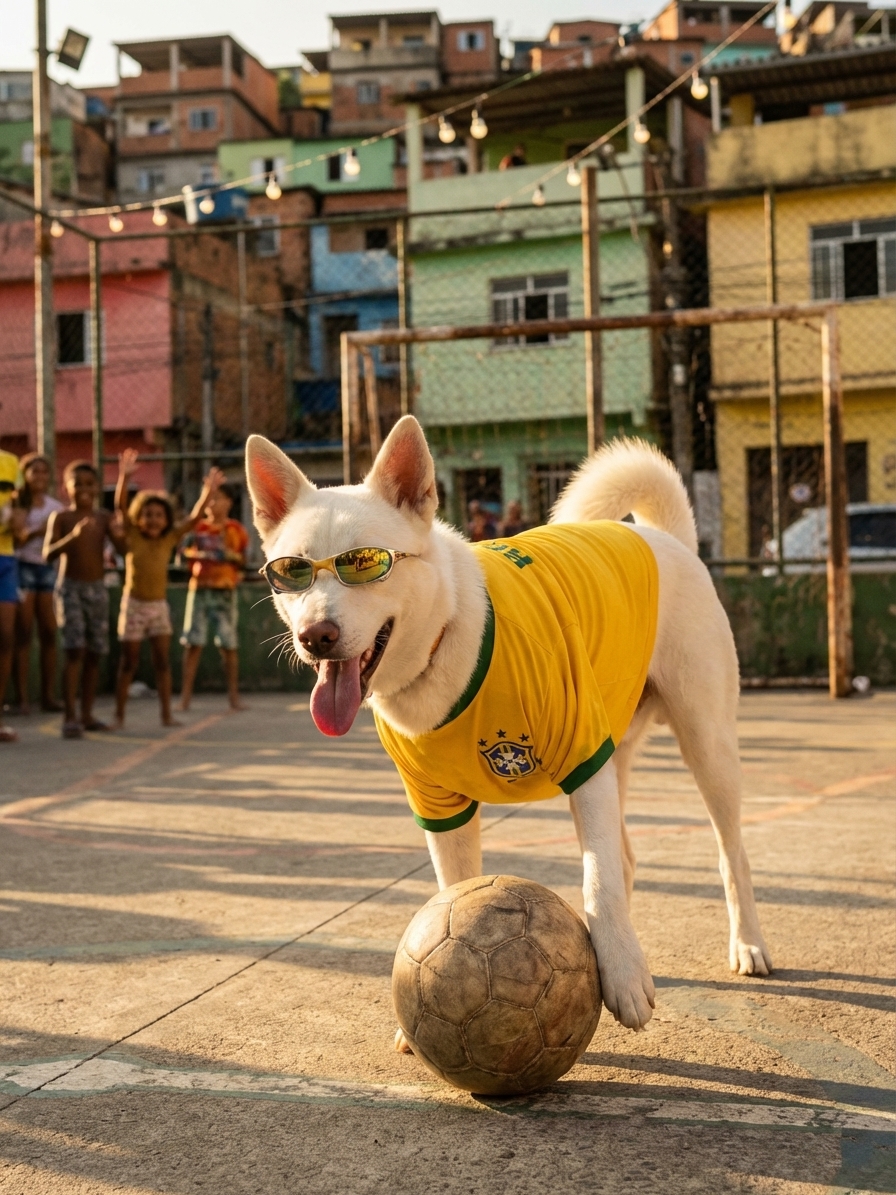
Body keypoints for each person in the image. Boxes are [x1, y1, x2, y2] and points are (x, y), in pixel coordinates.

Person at [114, 450, 225, 729]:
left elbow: (195, 517)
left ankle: (166, 714)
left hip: (158, 607)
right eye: (147, 514)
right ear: (138, 517)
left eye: (159, 515)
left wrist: (208, 492)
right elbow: (119, 505)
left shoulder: (170, 538)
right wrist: (124, 478)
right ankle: (119, 715)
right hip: (134, 605)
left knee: (162, 662)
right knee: (128, 663)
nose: (153, 520)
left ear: (167, 519)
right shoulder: (134, 535)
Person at [44, 460, 124, 739]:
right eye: (77, 484)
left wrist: (117, 530)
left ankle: (88, 714)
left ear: (98, 487)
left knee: (94, 652)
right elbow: (48, 554)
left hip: (97, 589)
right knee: (74, 650)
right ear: (67, 487)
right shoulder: (62, 518)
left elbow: (122, 548)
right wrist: (73, 537)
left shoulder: (103, 518)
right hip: (70, 589)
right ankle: (70, 716)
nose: (84, 489)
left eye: (90, 484)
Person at [178, 481, 250, 713]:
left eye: (217, 497)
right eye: (208, 497)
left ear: (229, 502)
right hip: (199, 589)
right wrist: (198, 554)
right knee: (192, 644)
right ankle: (185, 699)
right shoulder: (196, 528)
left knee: (229, 646)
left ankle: (234, 698)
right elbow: (182, 556)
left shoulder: (236, 530)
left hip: (225, 590)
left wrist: (227, 555)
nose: (212, 502)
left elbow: (242, 560)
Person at [13, 453, 65, 714]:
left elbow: (59, 538)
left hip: (47, 570)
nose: (40, 476)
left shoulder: (55, 507)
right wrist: (38, 530)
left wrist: (48, 529)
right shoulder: (18, 504)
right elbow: (19, 538)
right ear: (25, 475)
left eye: (44, 471)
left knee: (48, 632)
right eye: (34, 471)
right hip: (22, 568)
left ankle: (48, 696)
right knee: (22, 633)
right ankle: (22, 699)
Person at [0, 449, 24, 743]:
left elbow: (19, 507)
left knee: (5, 636)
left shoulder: (10, 461)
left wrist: (17, 520)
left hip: (6, 559)